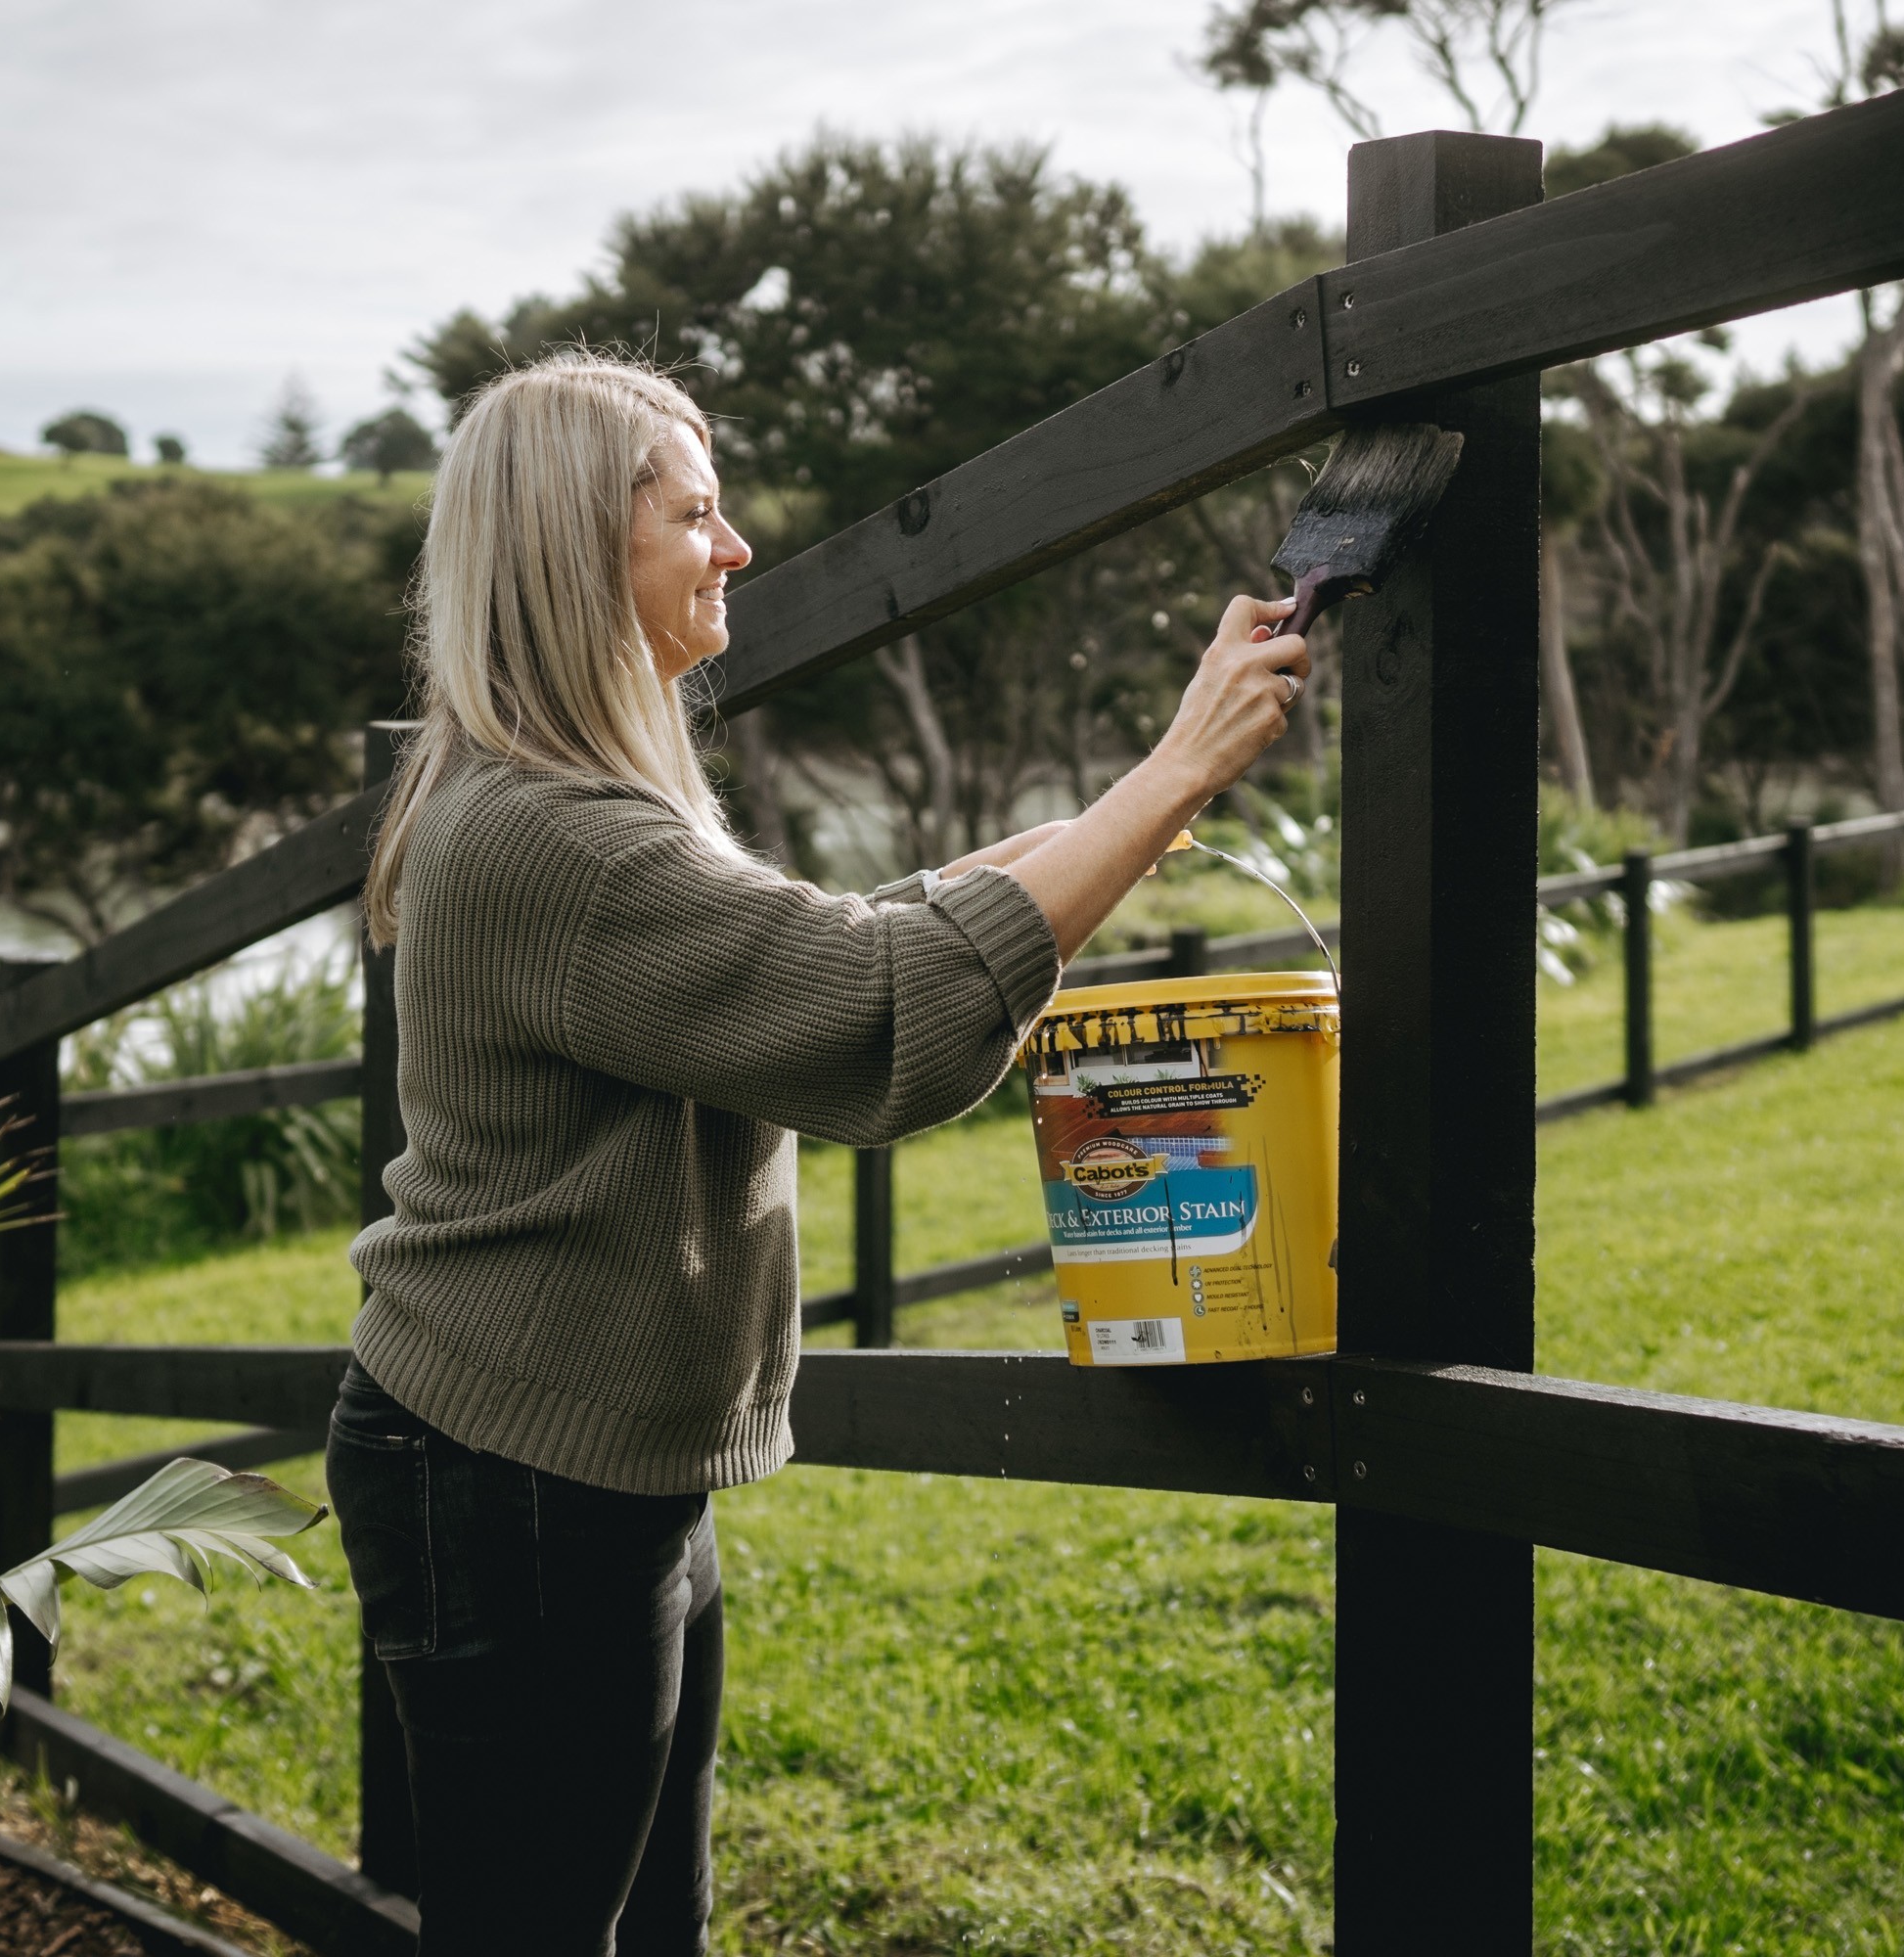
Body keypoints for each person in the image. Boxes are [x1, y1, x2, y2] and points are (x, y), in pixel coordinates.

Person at [329, 348, 1308, 1954]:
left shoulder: (564, 800)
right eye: (697, 515)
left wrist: (1122, 821)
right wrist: (1175, 768)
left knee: (653, 1925)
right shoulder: (551, 835)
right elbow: (875, 1013)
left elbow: (833, 945)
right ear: (581, 547)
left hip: (590, 1465)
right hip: (511, 1483)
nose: (737, 550)